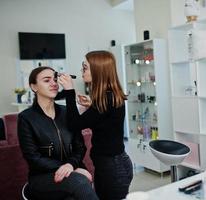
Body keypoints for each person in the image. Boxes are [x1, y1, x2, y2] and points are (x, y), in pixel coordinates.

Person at [58, 50, 133, 200]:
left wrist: (69, 92)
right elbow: (106, 120)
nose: (82, 71)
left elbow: (74, 124)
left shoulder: (104, 100)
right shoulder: (111, 95)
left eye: (85, 67)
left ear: (97, 70)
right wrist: (92, 105)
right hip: (117, 162)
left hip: (112, 167)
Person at [17, 66, 99, 200]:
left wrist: (71, 165)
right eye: (46, 80)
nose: (54, 83)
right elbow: (33, 158)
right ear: (34, 87)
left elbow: (80, 147)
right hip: (42, 177)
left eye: (55, 79)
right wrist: (67, 168)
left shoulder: (67, 112)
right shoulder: (26, 118)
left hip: (72, 171)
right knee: (78, 182)